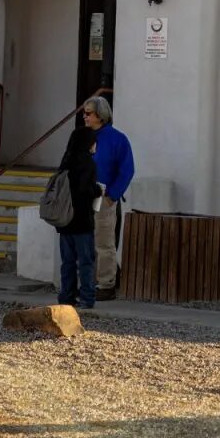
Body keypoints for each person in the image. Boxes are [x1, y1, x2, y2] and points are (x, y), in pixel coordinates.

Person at [82, 97, 132, 298]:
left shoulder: (117, 139)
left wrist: (112, 195)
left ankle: (106, 284)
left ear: (100, 116)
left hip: (104, 195)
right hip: (84, 195)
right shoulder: (83, 137)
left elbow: (126, 170)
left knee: (104, 241)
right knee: (85, 241)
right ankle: (88, 281)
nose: (85, 116)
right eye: (84, 113)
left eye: (88, 113)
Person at [52, 125, 103, 308]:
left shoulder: (66, 160)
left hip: (65, 221)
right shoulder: (88, 163)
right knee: (86, 262)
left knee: (68, 262)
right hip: (82, 220)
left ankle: (66, 296)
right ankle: (87, 298)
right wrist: (97, 190)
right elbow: (85, 190)